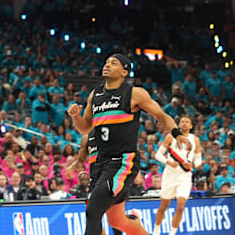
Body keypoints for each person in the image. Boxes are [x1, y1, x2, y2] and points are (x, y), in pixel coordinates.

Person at [68, 54, 191, 235]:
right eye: (107, 62)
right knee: (117, 221)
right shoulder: (95, 95)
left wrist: (177, 134)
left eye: (114, 63)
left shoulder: (134, 93)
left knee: (93, 209)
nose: (107, 65)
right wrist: (75, 117)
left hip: (122, 162)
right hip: (100, 163)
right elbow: (85, 128)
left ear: (124, 71)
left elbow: (162, 116)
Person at [152, 116, 202, 235]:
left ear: (191, 126)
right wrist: (168, 162)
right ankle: (156, 231)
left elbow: (199, 159)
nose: (184, 123)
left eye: (187, 122)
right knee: (164, 205)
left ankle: (172, 233)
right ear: (179, 125)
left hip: (184, 176)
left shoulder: (195, 140)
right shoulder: (170, 137)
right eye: (182, 122)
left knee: (180, 206)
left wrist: (193, 164)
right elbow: (158, 155)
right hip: (170, 174)